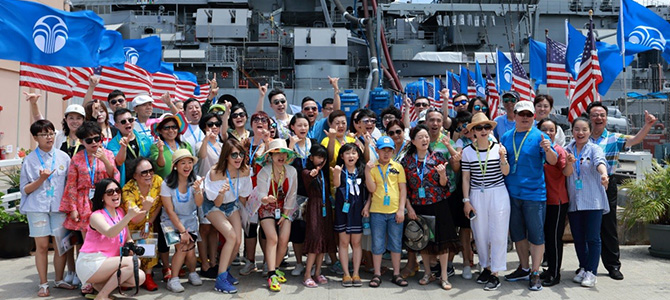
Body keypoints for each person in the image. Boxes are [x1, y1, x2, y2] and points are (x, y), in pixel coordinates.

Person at [586, 101, 656, 280]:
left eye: (602, 115)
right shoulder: (583, 137)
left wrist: (647, 125)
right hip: (585, 186)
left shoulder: (614, 138)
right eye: (595, 115)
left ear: (606, 118)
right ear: (589, 118)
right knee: (586, 228)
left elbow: (635, 140)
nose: (598, 118)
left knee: (608, 227)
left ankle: (613, 266)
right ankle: (585, 266)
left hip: (606, 184)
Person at [500, 101, 557, 291]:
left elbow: (553, 161)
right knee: (517, 234)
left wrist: (548, 149)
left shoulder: (540, 136)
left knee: (536, 235)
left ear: (534, 117)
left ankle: (535, 271)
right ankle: (523, 267)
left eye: (529, 115)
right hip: (511, 193)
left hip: (534, 194)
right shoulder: (507, 137)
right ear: (514, 115)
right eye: (521, 114)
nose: (525, 117)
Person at [401, 125, 459, 290]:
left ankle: (444, 276)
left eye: (426, 136)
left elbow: (444, 184)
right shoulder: (407, 161)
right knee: (423, 241)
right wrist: (409, 208)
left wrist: (442, 175)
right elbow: (404, 188)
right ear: (413, 141)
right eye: (420, 137)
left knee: (443, 241)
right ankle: (428, 273)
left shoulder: (437, 157)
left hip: (438, 204)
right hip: (418, 206)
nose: (425, 140)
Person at [20, 120, 74, 297]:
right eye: (43, 134)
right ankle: (43, 284)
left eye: (51, 133)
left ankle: (59, 280)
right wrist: (41, 179)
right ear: (35, 137)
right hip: (38, 207)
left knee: (61, 246)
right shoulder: (29, 160)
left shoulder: (63, 157)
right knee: (42, 246)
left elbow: (69, 184)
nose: (49, 137)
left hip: (59, 207)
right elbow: (25, 189)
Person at [461, 113, 511, 291]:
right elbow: (466, 178)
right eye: (479, 128)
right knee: (480, 233)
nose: (483, 131)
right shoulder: (467, 151)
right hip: (476, 193)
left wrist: (503, 158)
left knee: (498, 233)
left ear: (490, 129)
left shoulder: (499, 148)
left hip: (497, 192)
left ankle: (496, 273)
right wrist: (466, 200)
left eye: (486, 127)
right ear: (473, 131)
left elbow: (505, 172)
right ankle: (486, 267)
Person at [75, 178, 148, 300]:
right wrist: (129, 216)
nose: (115, 194)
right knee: (133, 263)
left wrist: (131, 248)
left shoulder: (120, 212)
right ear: (102, 197)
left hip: (108, 263)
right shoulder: (96, 216)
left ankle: (99, 286)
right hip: (91, 262)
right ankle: (102, 296)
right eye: (110, 192)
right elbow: (110, 233)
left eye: (117, 190)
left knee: (140, 276)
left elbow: (128, 238)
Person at [202, 139, 252, 294]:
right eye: (234, 155)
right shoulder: (215, 172)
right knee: (230, 236)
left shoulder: (244, 171)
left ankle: (225, 271)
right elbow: (216, 202)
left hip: (232, 205)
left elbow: (243, 196)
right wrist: (222, 193)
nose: (238, 158)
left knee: (237, 241)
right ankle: (221, 279)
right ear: (226, 156)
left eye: (241, 154)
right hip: (214, 206)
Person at [565, 117, 609, 288]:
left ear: (590, 132)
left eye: (584, 129)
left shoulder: (594, 149)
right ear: (572, 131)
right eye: (577, 129)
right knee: (578, 238)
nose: (580, 133)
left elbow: (600, 163)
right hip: (575, 201)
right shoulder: (567, 149)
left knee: (593, 238)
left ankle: (592, 271)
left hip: (593, 200)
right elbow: (566, 172)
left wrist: (604, 175)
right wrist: (569, 163)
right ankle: (583, 267)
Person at [363, 136, 408, 288]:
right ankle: (377, 273)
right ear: (377, 150)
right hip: (377, 211)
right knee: (378, 243)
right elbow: (372, 189)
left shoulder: (398, 167)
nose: (386, 153)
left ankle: (396, 273)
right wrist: (367, 172)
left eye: (389, 150)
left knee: (396, 243)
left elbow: (403, 189)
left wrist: (401, 209)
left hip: (395, 210)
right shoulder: (372, 167)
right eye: (383, 150)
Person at [60, 121, 120, 233]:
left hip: (104, 196)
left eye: (97, 139)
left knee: (106, 230)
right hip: (84, 200)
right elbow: (71, 185)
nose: (94, 143)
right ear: (81, 141)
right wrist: (73, 209)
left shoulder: (108, 154)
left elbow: (114, 176)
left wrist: (104, 160)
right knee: (87, 235)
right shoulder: (76, 158)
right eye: (89, 140)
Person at [255, 139, 299, 291]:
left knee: (284, 239)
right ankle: (272, 273)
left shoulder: (292, 171)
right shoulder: (264, 171)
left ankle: (276, 266)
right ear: (271, 156)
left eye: (284, 153)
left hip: (285, 208)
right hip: (266, 206)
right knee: (272, 238)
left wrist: (285, 215)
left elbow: (292, 195)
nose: (281, 156)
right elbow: (260, 193)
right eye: (277, 153)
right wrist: (266, 198)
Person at [161, 149, 204, 292]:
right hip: (170, 221)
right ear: (175, 166)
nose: (187, 166)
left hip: (189, 219)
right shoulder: (166, 183)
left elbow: (199, 204)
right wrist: (182, 231)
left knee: (191, 250)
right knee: (182, 246)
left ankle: (192, 273)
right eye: (183, 163)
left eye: (190, 162)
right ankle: (173, 279)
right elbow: (169, 210)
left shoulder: (196, 180)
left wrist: (198, 190)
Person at [537, 118, 572, 287]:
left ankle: (555, 274)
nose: (548, 133)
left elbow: (566, 171)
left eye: (552, 130)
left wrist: (570, 164)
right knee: (546, 238)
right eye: (544, 129)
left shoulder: (558, 150)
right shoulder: (536, 150)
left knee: (554, 239)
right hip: (541, 200)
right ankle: (549, 269)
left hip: (557, 201)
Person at [120, 157, 164, 291]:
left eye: (151, 171)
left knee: (149, 241)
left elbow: (160, 203)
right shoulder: (128, 190)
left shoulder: (158, 181)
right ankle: (130, 277)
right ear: (135, 175)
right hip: (129, 226)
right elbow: (133, 219)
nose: (149, 175)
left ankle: (148, 276)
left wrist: (150, 221)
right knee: (131, 249)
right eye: (144, 172)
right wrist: (145, 208)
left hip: (147, 222)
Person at [300, 145, 337, 288]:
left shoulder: (324, 173)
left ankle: (317, 272)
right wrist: (313, 173)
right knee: (315, 239)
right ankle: (307, 274)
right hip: (314, 207)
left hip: (325, 207)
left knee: (324, 240)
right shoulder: (306, 172)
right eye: (319, 157)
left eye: (324, 157)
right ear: (311, 158)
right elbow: (308, 176)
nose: (322, 160)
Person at [332, 143, 367, 287]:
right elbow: (336, 184)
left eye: (354, 153)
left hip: (358, 210)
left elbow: (370, 191)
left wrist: (367, 206)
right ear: (342, 156)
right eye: (347, 153)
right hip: (343, 210)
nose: (351, 156)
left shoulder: (363, 171)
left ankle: (356, 273)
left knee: (357, 243)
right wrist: (336, 173)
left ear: (358, 155)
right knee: (344, 243)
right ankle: (346, 274)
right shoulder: (339, 170)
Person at [194, 112, 224, 278]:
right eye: (210, 124)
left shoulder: (221, 146)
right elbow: (202, 156)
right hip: (204, 189)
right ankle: (204, 263)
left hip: (219, 191)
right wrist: (206, 139)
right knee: (204, 227)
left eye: (216, 124)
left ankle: (213, 262)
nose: (214, 127)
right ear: (204, 127)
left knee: (215, 228)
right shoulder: (200, 144)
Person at [286, 113, 316, 277]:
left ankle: (311, 264)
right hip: (295, 194)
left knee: (312, 229)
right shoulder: (287, 144)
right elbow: (284, 164)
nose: (303, 128)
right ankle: (298, 263)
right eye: (299, 125)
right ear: (292, 127)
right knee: (297, 230)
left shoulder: (314, 144)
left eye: (305, 125)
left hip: (313, 194)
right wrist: (291, 145)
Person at [106, 108, 152, 187]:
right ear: (116, 125)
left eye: (130, 120)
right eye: (123, 122)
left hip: (146, 182)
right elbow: (119, 162)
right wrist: (123, 147)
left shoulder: (144, 139)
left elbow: (151, 159)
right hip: (127, 184)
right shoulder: (112, 144)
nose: (128, 123)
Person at [149, 113, 191, 180]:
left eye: (174, 127)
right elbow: (160, 166)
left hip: (184, 184)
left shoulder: (185, 146)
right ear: (160, 131)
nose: (171, 131)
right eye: (166, 128)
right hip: (165, 185)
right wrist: (161, 151)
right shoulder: (155, 147)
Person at [306, 76, 341, 143]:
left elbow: (336, 113)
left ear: (318, 111)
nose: (310, 111)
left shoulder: (322, 124)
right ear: (302, 111)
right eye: (307, 109)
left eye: (314, 108)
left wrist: (336, 89)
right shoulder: (297, 125)